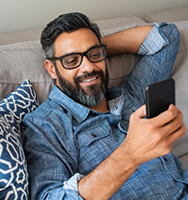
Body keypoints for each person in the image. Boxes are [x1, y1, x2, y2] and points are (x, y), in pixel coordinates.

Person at [22, 12, 188, 200]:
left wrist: (96, 49)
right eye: (71, 60)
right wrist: (130, 153)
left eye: (95, 55)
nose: (88, 68)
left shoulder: (131, 94)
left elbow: (167, 37)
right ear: (52, 68)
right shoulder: (45, 125)